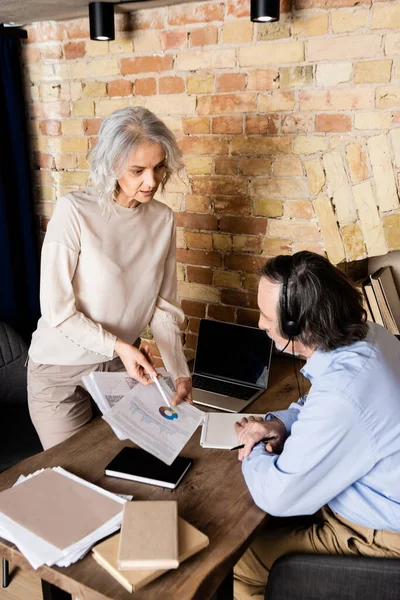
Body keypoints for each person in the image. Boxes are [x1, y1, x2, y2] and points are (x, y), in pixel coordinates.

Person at [233, 251, 400, 600]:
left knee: (242, 562)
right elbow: (320, 404)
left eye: (267, 316)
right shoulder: (371, 336)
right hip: (378, 510)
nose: (261, 324)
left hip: (380, 540)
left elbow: (276, 496)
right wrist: (280, 423)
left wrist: (251, 447)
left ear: (299, 327)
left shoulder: (344, 392)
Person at [28, 106, 192, 450]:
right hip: (58, 371)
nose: (152, 181)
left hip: (121, 366)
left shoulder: (162, 219)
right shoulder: (74, 211)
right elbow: (58, 311)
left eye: (159, 167)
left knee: (140, 457)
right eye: (138, 170)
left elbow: (162, 308)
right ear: (111, 165)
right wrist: (120, 346)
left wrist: (180, 372)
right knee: (75, 473)